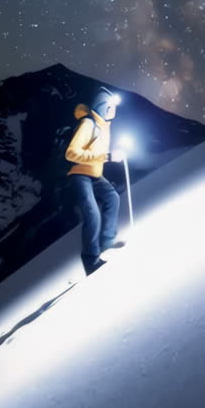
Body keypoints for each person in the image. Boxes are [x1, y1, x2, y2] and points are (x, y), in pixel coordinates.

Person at [65, 87, 126, 275]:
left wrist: (113, 155)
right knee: (92, 214)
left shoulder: (104, 127)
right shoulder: (88, 124)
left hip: (94, 174)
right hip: (80, 175)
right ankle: (91, 260)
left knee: (112, 198)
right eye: (109, 106)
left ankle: (107, 241)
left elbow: (98, 154)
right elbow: (71, 153)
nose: (113, 110)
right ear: (102, 107)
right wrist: (107, 156)